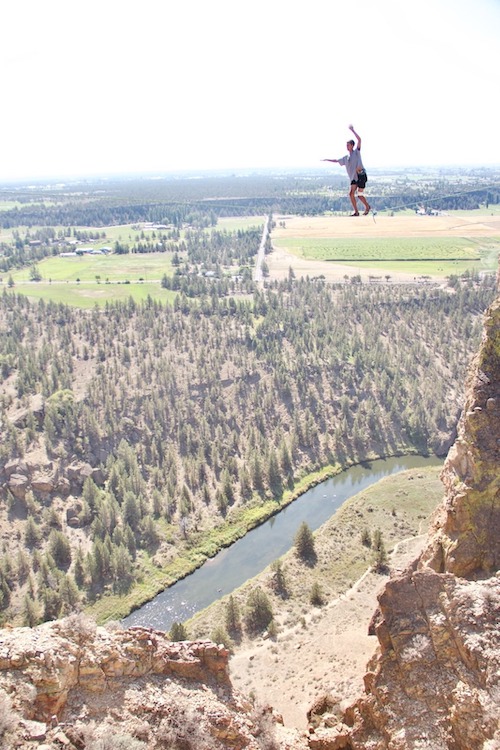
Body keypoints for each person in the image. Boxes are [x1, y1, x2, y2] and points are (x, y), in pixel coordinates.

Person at [323, 125, 371, 216]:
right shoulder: (346, 158)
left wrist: (353, 130)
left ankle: (367, 207)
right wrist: (327, 160)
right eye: (346, 145)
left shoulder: (356, 152)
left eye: (348, 145)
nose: (347, 146)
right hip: (353, 178)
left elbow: (359, 140)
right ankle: (356, 212)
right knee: (351, 194)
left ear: (352, 145)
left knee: (360, 195)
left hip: (361, 175)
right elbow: (337, 161)